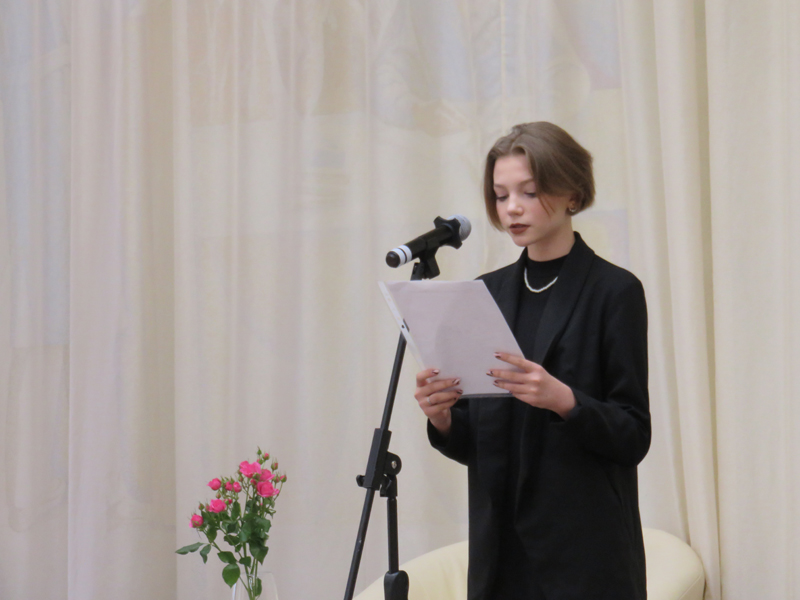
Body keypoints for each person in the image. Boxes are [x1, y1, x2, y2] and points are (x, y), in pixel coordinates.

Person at [414, 122, 650, 600]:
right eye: (501, 195)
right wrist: (443, 419)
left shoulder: (615, 291)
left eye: (529, 191)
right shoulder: (484, 293)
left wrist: (564, 400)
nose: (512, 208)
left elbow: (633, 435)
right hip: (501, 555)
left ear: (572, 194)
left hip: (585, 557)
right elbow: (480, 442)